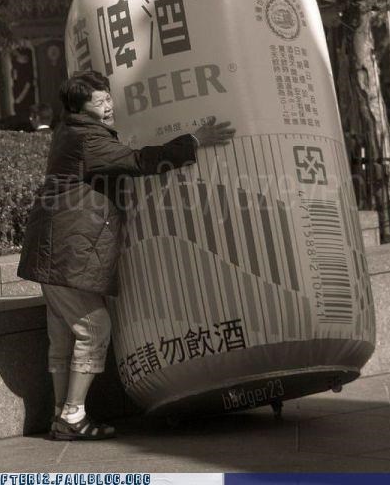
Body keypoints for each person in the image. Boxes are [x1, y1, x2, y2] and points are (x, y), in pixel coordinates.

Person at [17, 70, 235, 441]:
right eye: (99, 102)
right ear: (80, 108)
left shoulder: (70, 131)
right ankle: (72, 415)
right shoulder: (88, 139)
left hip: (55, 245)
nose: (108, 106)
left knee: (64, 336)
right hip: (68, 247)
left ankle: (61, 416)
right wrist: (195, 140)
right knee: (95, 327)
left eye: (108, 98)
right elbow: (141, 161)